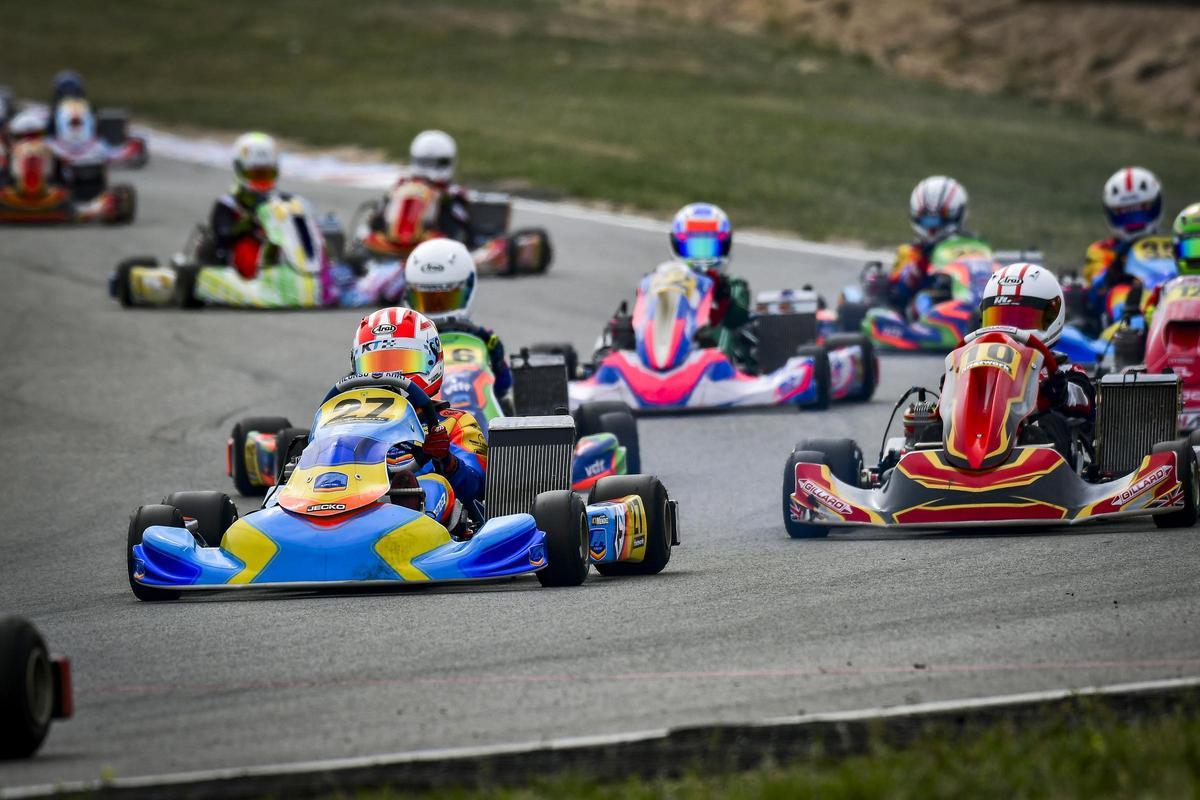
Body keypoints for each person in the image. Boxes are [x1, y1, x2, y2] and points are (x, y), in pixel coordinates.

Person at [350, 307, 488, 531]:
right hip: (359, 501)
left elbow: (476, 486)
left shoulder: (454, 422)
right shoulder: (350, 422)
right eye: (376, 364)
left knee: (433, 484)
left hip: (436, 527)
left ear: (432, 361)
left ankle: (409, 524)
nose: (387, 375)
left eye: (402, 361)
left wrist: (447, 460)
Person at [978, 263, 1094, 462]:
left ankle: (1038, 466)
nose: (1009, 330)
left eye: (1022, 320)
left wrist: (1061, 392)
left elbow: (1086, 400)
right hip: (982, 436)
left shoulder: (1063, 369)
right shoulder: (980, 366)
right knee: (937, 427)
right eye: (999, 318)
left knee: (1047, 424)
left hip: (1035, 447)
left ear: (1052, 316)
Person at [404, 238, 512, 401]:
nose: (437, 311)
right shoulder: (403, 342)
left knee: (505, 400)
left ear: (468, 288)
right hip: (423, 411)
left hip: (478, 406)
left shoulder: (484, 339)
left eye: (446, 300)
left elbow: (503, 386)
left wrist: (496, 359)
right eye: (427, 301)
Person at [666, 202, 753, 367]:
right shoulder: (663, 284)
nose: (701, 257)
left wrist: (722, 297)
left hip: (722, 365)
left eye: (708, 248)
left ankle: (721, 362)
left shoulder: (733, 287)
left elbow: (738, 318)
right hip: (671, 355)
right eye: (694, 248)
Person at [361, 130, 472, 253]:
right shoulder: (402, 188)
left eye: (433, 163)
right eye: (424, 162)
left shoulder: (451, 193)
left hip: (427, 244)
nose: (429, 168)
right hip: (406, 246)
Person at [884, 176, 971, 312]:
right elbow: (894, 293)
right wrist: (919, 265)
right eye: (927, 219)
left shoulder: (972, 246)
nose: (933, 228)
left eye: (941, 218)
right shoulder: (910, 252)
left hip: (965, 305)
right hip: (923, 312)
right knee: (923, 299)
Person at [205, 132, 283, 279]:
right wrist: (247, 223)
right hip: (240, 253)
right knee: (247, 251)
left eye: (267, 175)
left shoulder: (280, 201)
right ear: (239, 170)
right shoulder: (228, 203)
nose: (261, 181)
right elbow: (223, 235)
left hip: (275, 248)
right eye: (255, 175)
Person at [1081, 167, 1164, 288]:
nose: (1134, 222)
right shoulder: (1102, 251)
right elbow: (1096, 290)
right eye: (1125, 215)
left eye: (1140, 212)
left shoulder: (1174, 246)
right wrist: (1117, 265)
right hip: (1127, 298)